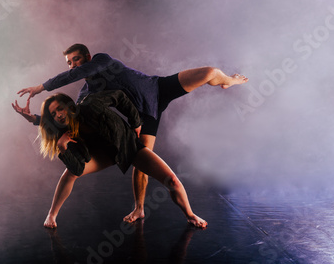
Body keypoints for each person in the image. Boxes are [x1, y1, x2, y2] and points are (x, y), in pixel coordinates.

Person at [16, 44, 248, 223]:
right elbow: (72, 119)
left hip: (157, 88)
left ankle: (229, 81)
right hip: (145, 117)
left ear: (87, 58)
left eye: (75, 59)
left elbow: (76, 74)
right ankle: (139, 208)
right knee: (142, 162)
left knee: (210, 72)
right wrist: (36, 120)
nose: (72, 65)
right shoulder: (88, 91)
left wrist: (41, 87)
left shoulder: (101, 60)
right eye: (68, 62)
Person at [12, 90, 207, 229]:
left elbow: (119, 96)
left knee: (171, 180)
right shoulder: (63, 133)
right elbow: (78, 167)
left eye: (60, 109)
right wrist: (62, 148)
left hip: (127, 147)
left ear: (70, 106)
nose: (59, 115)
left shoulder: (91, 103)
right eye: (54, 114)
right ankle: (52, 215)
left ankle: (190, 214)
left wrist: (136, 122)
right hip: (101, 156)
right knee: (71, 174)